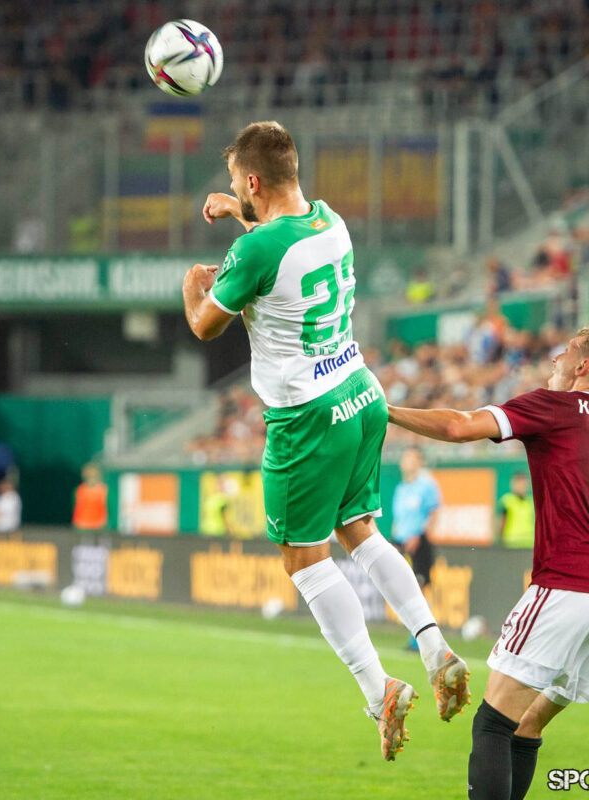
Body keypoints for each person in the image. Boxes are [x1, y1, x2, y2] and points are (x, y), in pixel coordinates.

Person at [182, 120, 469, 761]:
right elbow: (283, 242)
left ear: (252, 181)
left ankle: (378, 689)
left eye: (236, 184)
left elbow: (205, 325)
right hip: (361, 392)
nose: (236, 191)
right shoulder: (329, 221)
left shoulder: (256, 249)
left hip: (307, 414)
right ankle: (433, 644)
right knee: (360, 531)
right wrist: (240, 214)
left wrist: (191, 289)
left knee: (304, 560)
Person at [387, 327, 589, 800]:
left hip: (568, 585)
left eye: (563, 354)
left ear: (582, 366)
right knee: (528, 720)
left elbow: (459, 427)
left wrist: (384, 410)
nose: (553, 360)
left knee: (493, 722)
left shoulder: (555, 406)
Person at [391, 447, 441, 650]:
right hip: (402, 542)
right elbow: (399, 518)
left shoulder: (427, 485)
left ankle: (422, 638)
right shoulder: (401, 488)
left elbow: (433, 513)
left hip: (419, 544)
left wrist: (420, 535)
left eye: (411, 458)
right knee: (406, 590)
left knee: (419, 590)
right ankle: (417, 635)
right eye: (405, 457)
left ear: (419, 462)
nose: (406, 461)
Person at [498, 473, 535, 548]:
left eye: (523, 484)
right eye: (519, 484)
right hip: (511, 543)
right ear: (513, 485)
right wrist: (500, 539)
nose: (521, 487)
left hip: (528, 543)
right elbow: (502, 522)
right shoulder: (507, 501)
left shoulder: (531, 501)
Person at [72, 464, 108, 531]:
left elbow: (108, 509)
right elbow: (76, 508)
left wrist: (103, 523)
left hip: (99, 526)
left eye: (94, 476)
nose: (91, 478)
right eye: (89, 475)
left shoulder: (104, 490)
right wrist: (77, 522)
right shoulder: (79, 490)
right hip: (83, 525)